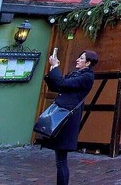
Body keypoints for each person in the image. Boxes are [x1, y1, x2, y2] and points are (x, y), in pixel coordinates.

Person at [44, 49, 98, 185]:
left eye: (81, 58)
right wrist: (52, 68)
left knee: (61, 159)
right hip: (63, 115)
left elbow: (62, 83)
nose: (77, 60)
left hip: (67, 119)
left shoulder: (87, 77)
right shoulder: (77, 74)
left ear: (88, 62)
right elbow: (57, 86)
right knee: (60, 159)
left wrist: (56, 67)